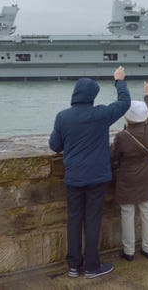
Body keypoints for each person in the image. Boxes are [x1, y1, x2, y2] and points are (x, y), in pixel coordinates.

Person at [49, 66, 130, 279]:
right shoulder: (101, 114)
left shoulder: (62, 117)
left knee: (74, 220)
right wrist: (119, 81)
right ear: (93, 95)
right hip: (96, 178)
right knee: (93, 220)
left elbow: (55, 146)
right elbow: (124, 103)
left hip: (74, 177)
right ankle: (92, 266)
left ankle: (74, 266)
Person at [111, 78, 148, 262]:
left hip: (127, 179)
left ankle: (128, 251)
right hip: (147, 177)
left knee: (127, 213)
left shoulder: (121, 137)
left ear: (128, 117)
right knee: (147, 211)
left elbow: (114, 158)